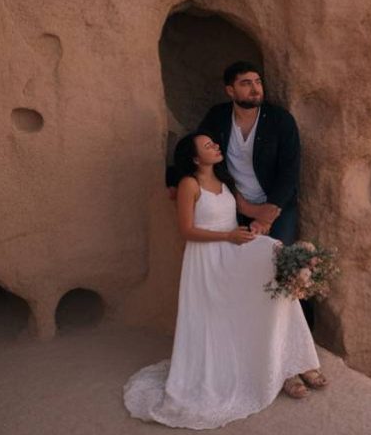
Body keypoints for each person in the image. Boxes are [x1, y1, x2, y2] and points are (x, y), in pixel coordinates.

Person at [124, 132, 327, 429]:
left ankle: (293, 363)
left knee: (276, 266)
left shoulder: (224, 180)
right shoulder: (189, 184)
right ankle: (285, 369)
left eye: (214, 143)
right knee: (268, 275)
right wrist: (228, 236)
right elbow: (186, 230)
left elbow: (244, 211)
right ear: (195, 158)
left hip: (234, 249)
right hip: (208, 258)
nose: (216, 146)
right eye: (208, 146)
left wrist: (264, 220)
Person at [191, 61, 301, 246]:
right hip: (233, 204)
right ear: (230, 90)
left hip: (276, 205)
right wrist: (174, 179)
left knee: (278, 257)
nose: (255, 89)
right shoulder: (218, 117)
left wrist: (267, 216)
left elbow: (290, 169)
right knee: (235, 258)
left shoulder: (280, 119)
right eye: (246, 83)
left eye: (258, 82)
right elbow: (198, 150)